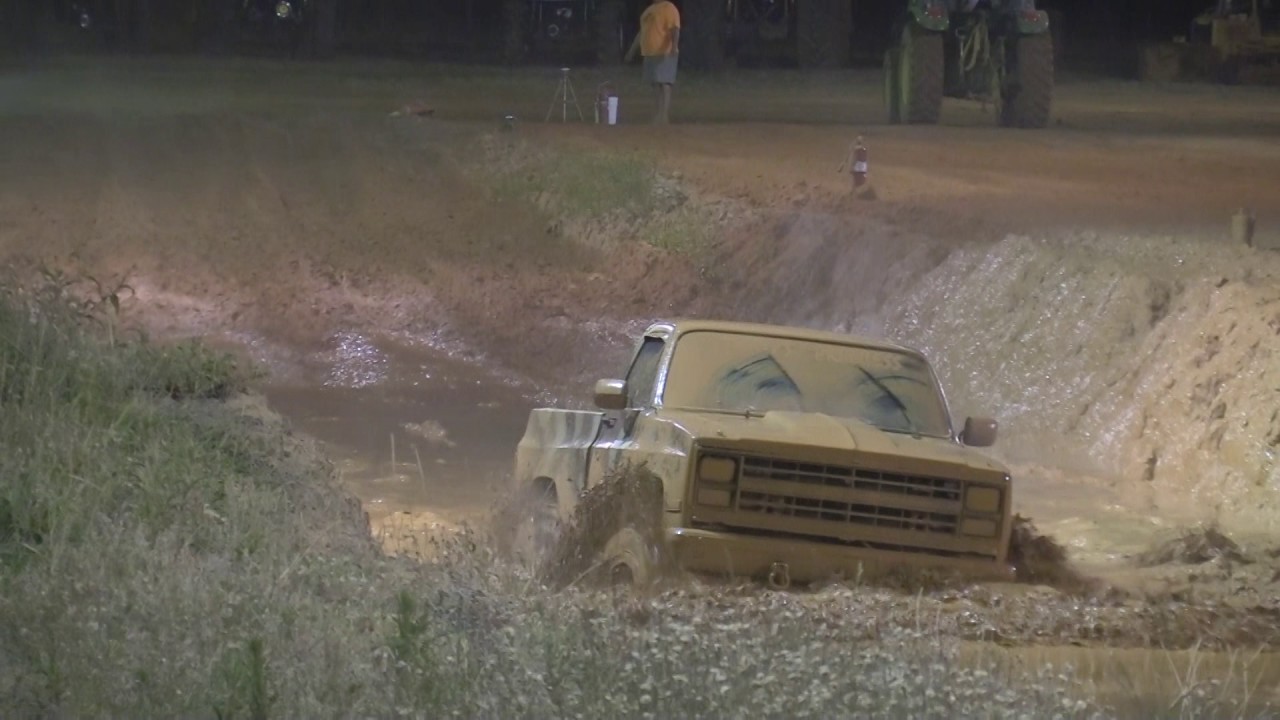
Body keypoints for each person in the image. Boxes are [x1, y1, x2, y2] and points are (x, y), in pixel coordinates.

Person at [624, 0, 681, 124]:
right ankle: (658, 113)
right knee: (655, 84)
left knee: (665, 83)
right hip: (650, 53)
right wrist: (632, 51)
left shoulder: (668, 7)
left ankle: (664, 115)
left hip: (664, 52)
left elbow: (675, 28)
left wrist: (673, 46)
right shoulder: (649, 10)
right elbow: (642, 32)